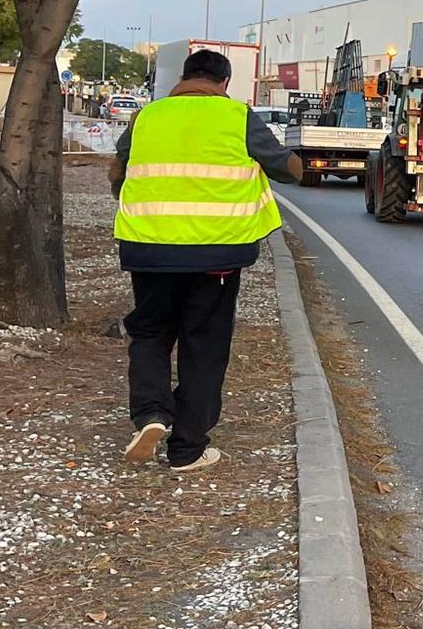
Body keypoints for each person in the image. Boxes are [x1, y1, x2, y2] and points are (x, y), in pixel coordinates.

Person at [108, 49, 302, 470]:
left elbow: (118, 174)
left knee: (150, 332)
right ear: (224, 83)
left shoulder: (148, 117)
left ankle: (152, 414)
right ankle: (187, 449)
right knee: (204, 344)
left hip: (148, 248)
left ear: (184, 77)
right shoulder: (238, 117)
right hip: (216, 252)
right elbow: (286, 168)